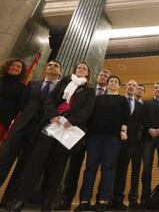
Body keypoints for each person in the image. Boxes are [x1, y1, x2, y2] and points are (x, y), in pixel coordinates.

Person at [7, 62, 96, 212]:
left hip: (70, 129)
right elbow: (50, 100)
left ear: (88, 73)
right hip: (52, 124)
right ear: (75, 70)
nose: (81, 70)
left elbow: (88, 110)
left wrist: (72, 120)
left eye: (84, 68)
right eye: (79, 67)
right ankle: (20, 200)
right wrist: (53, 115)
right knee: (36, 162)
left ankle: (46, 202)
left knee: (57, 166)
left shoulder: (89, 90)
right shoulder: (64, 82)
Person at [0, 60, 59, 211]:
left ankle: (8, 201)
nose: (52, 67)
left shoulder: (61, 89)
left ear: (60, 72)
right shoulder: (33, 84)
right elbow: (23, 103)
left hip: (41, 133)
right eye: (50, 65)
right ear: (46, 68)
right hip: (21, 127)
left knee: (23, 168)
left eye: (56, 66)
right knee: (2, 163)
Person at [55, 69, 111, 210]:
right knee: (72, 167)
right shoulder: (87, 90)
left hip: (98, 136)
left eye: (106, 76)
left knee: (93, 168)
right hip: (78, 130)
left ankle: (96, 200)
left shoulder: (111, 95)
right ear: (96, 77)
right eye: (101, 74)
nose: (103, 77)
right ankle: (66, 200)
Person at [75, 75, 129, 212]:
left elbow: (125, 117)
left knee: (108, 168)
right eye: (111, 81)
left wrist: (123, 130)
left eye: (116, 81)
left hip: (113, 138)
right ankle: (85, 200)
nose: (113, 83)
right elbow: (89, 115)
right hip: (94, 136)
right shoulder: (97, 98)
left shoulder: (122, 100)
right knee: (90, 168)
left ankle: (102, 200)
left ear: (119, 85)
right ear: (107, 83)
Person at [0, 58, 27, 170]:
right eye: (13, 65)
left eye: (19, 67)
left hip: (2, 120)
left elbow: (19, 107)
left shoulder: (23, 88)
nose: (15, 67)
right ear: (7, 67)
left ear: (21, 71)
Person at [108, 79, 144, 210]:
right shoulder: (118, 100)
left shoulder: (140, 106)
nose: (131, 87)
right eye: (129, 85)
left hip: (131, 143)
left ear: (137, 89)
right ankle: (108, 199)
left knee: (123, 170)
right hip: (115, 139)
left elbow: (141, 124)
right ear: (125, 87)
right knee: (111, 169)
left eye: (134, 85)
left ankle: (118, 199)